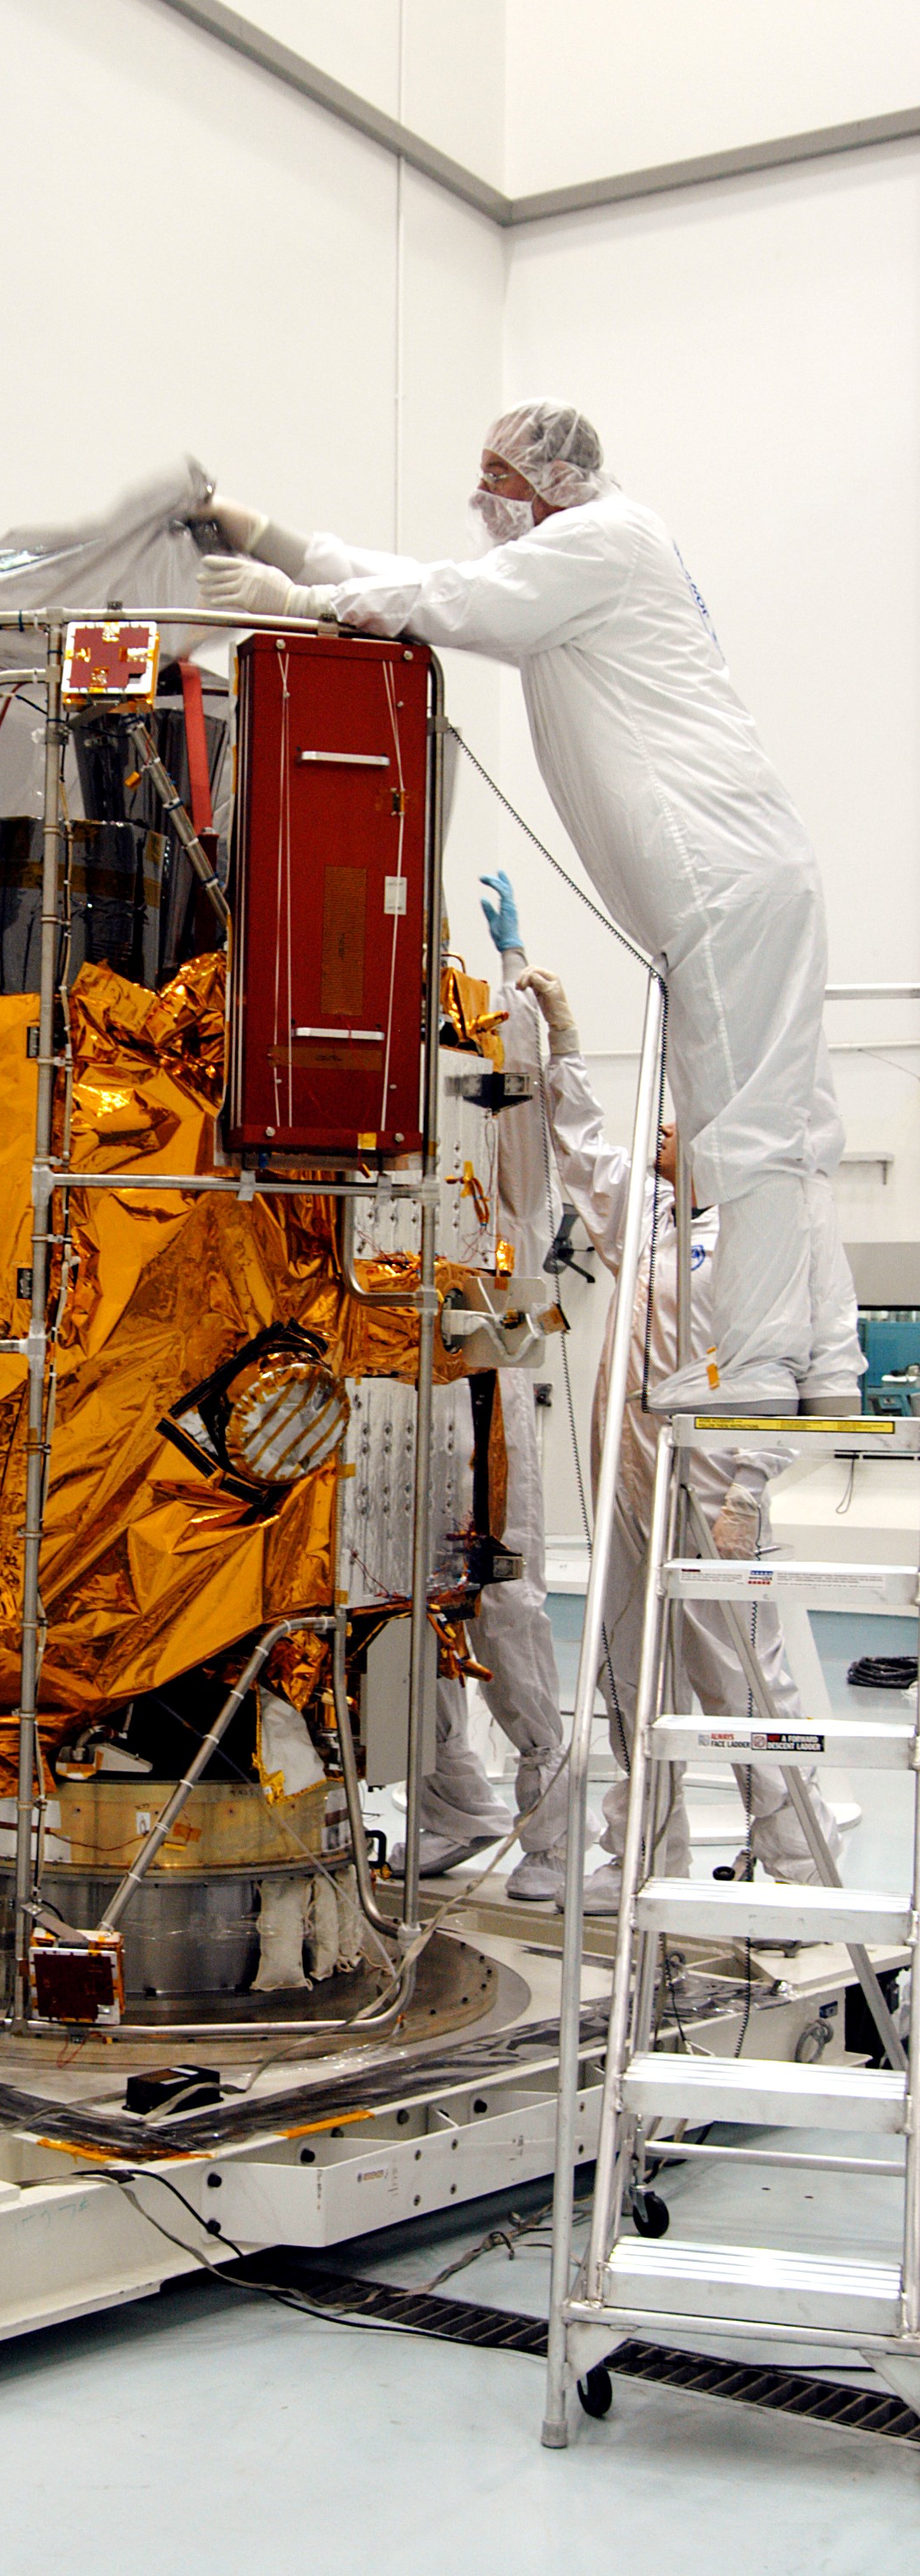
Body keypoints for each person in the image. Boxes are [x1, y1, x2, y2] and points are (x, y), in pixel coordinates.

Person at [197, 405, 859, 1416]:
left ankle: (755, 1365)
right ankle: (825, 1363)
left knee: (748, 1122)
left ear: (549, 477)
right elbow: (448, 583)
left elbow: (458, 600)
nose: (484, 498)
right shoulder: (594, 556)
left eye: (497, 475)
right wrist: (279, 537)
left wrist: (297, 595)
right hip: (741, 872)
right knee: (790, 1122)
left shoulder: (598, 542)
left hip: (721, 874)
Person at [521, 957, 852, 1911]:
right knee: (629, 1668)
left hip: (716, 1482)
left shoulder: (770, 1225)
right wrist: (565, 1045)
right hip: (633, 1475)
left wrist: (753, 1482)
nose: (659, 1130)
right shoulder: (655, 1213)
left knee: (744, 1681)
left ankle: (800, 1869)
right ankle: (642, 1857)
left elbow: (806, 1366)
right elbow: (584, 1151)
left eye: (676, 1122)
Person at [389, 870, 568, 1900]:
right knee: (402, 1608)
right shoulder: (390, 1114)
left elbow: (525, 1091)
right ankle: (452, 1801)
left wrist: (511, 963)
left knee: (504, 1607)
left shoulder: (493, 1138)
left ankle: (549, 1835)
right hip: (398, 1401)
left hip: (484, 1402)